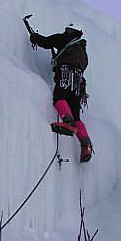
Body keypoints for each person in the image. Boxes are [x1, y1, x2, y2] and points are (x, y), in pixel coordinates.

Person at [29, 22, 93, 163]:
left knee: (59, 98)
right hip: (78, 84)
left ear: (72, 31)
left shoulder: (67, 39)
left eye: (67, 30)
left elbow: (47, 42)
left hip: (66, 74)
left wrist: (34, 37)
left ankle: (68, 123)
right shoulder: (83, 51)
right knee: (75, 114)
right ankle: (86, 144)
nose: (65, 32)